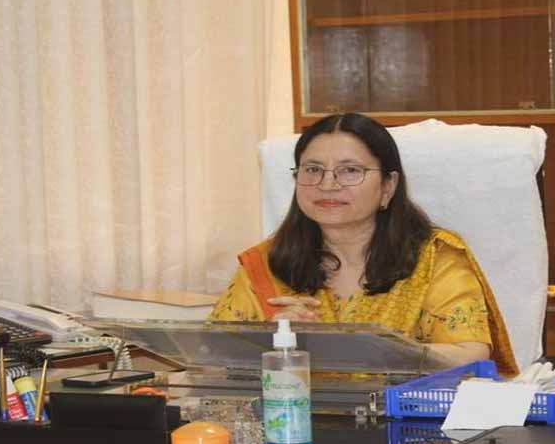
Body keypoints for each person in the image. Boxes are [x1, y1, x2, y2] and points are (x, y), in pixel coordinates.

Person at [210, 112, 518, 376]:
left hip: (407, 420)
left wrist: (366, 348)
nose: (327, 184)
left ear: (388, 186)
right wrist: (271, 342)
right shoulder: (266, 262)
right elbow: (210, 359)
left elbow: (470, 357)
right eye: (313, 169)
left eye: (350, 170)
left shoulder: (434, 257)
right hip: (291, 420)